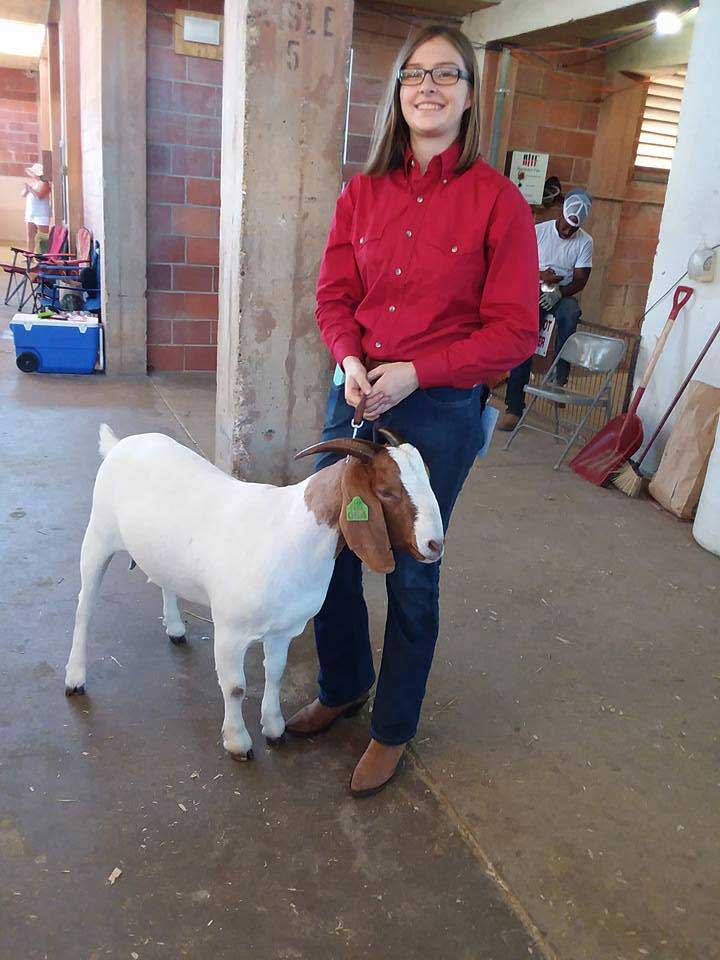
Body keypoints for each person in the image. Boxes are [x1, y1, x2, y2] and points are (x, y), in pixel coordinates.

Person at [285, 25, 538, 797]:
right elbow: (334, 295)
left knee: (411, 574)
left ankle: (392, 726)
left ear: (469, 95)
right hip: (357, 397)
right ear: (398, 91)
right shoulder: (362, 191)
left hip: (437, 417)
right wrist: (353, 360)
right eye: (415, 74)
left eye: (447, 75)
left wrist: (417, 371)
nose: (429, 87)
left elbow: (516, 331)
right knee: (331, 551)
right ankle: (344, 683)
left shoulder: (497, 202)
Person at [499, 189, 593, 431]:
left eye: (573, 229)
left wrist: (560, 292)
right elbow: (517, 265)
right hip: (535, 289)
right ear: (561, 213)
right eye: (565, 226)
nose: (567, 232)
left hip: (563, 292)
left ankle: (559, 375)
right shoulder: (539, 231)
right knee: (526, 335)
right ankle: (513, 406)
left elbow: (581, 279)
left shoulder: (585, 242)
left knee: (570, 314)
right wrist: (541, 276)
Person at [21, 162, 52, 252]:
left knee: (43, 237)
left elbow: (40, 196)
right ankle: (30, 255)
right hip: (31, 212)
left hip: (41, 213)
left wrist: (30, 189)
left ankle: (44, 255)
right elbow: (22, 195)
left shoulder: (45, 183)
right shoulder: (33, 183)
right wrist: (27, 189)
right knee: (30, 235)